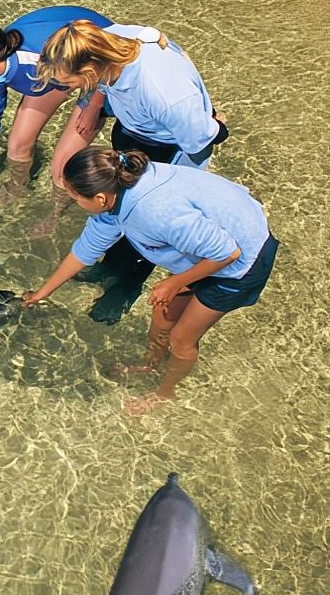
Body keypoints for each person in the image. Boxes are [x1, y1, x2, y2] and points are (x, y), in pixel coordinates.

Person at [23, 147, 278, 415]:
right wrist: (41, 294)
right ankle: (150, 364)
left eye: (75, 198)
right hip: (210, 247)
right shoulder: (117, 186)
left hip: (244, 261)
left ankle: (165, 393)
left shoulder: (156, 212)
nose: (75, 203)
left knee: (181, 339)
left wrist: (175, 283)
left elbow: (227, 253)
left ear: (99, 198)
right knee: (162, 316)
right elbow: (85, 250)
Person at [35, 20, 230, 324]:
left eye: (68, 82)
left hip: (171, 151)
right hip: (134, 130)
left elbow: (201, 140)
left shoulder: (163, 93)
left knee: (147, 222)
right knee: (115, 208)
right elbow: (146, 38)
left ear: (90, 69)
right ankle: (109, 267)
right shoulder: (110, 41)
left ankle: (128, 284)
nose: (65, 88)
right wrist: (94, 104)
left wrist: (165, 192)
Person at [0, 6, 115, 208]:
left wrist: (94, 106)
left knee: (62, 171)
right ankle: (18, 189)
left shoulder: (38, 58)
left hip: (103, 71)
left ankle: (56, 213)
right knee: (17, 146)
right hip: (57, 75)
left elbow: (108, 63)